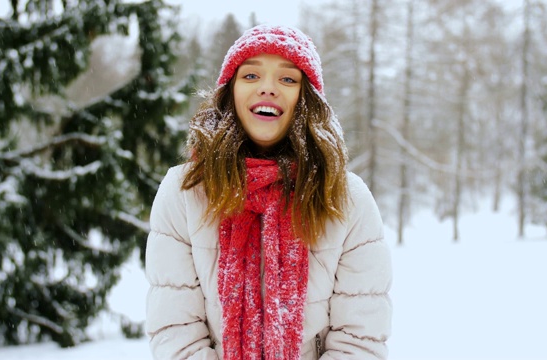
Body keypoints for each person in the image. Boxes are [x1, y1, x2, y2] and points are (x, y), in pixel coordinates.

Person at [145, 24, 392, 360]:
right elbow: (176, 334)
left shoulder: (347, 198)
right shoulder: (183, 192)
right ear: (230, 91)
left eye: (288, 79)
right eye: (250, 76)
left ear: (306, 99)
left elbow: (359, 342)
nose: (268, 88)